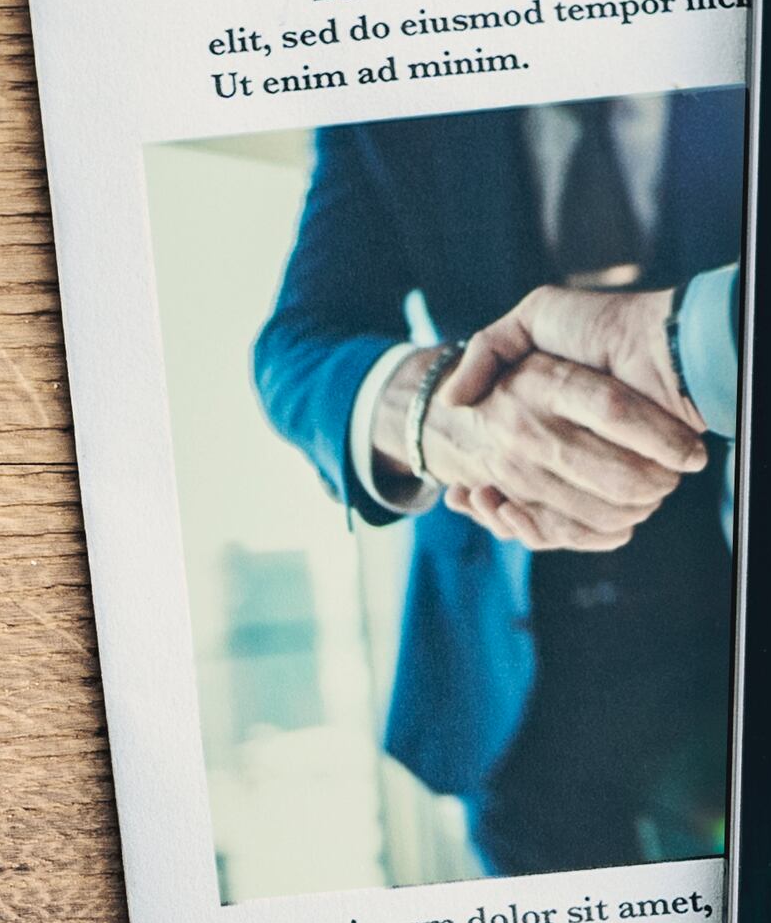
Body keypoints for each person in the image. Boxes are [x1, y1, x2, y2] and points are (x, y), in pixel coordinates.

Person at [249, 93, 745, 876]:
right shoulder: (394, 99)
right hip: (508, 673)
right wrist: (432, 412)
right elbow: (297, 345)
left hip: (734, 641)